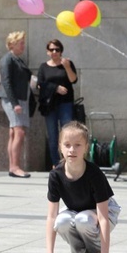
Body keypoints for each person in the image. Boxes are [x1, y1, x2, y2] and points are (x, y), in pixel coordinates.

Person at [38, 121, 121, 253]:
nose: (72, 150)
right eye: (67, 144)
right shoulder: (56, 175)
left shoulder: (94, 173)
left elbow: (103, 218)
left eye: (78, 145)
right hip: (76, 211)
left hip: (104, 212)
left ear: (86, 148)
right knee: (61, 221)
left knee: (83, 220)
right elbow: (51, 216)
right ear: (60, 147)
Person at [37, 39, 78, 169]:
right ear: (47, 52)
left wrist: (66, 67)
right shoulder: (43, 67)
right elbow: (39, 85)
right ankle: (56, 164)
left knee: (67, 133)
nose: (54, 52)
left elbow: (73, 80)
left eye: (57, 49)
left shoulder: (67, 63)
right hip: (50, 105)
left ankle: (68, 162)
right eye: (51, 49)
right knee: (52, 135)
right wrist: (55, 88)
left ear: (61, 51)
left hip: (65, 103)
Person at [0, 31, 32, 179]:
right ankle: (15, 167)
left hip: (19, 99)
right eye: (21, 43)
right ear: (12, 44)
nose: (23, 45)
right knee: (19, 132)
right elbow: (6, 82)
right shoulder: (7, 59)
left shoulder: (17, 59)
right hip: (13, 100)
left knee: (14, 132)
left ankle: (13, 167)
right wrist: (15, 103)